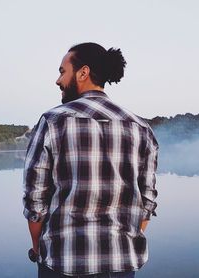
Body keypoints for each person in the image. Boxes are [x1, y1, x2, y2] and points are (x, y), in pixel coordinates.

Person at [22, 42, 158, 278]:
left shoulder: (53, 121)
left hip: (63, 263)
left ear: (83, 72)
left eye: (62, 71)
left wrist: (37, 249)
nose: (58, 80)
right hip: (122, 264)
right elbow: (146, 204)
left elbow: (35, 203)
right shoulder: (141, 128)